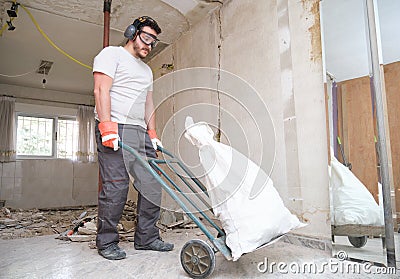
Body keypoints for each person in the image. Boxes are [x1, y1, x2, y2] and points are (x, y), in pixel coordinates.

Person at [93, 16, 173, 260]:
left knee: (151, 185)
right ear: (132, 33)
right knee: (117, 186)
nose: (149, 45)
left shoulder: (147, 70)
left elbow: (148, 103)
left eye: (154, 41)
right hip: (115, 126)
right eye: (146, 37)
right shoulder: (111, 54)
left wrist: (153, 134)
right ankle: (106, 242)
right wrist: (107, 126)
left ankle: (147, 238)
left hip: (140, 131)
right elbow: (101, 89)